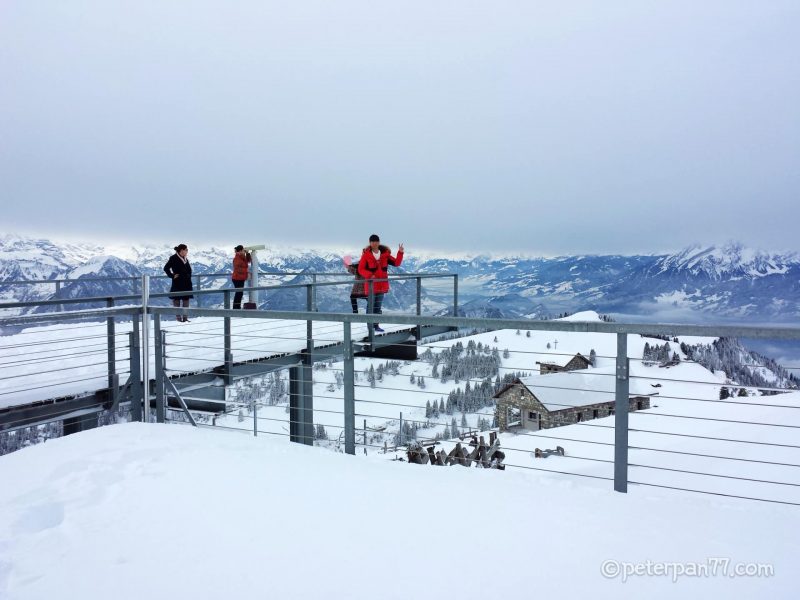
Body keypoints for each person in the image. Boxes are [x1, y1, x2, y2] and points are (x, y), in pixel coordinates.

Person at [357, 234, 404, 332]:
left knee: (378, 306)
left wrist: (400, 252)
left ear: (379, 242)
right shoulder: (366, 255)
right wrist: (370, 275)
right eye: (372, 241)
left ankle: (376, 325)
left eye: (376, 241)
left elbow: (396, 263)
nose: (374, 243)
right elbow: (360, 269)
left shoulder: (385, 255)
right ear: (370, 243)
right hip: (371, 285)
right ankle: (370, 327)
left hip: (382, 285)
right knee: (370, 306)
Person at [163, 244, 193, 322]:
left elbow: (189, 270)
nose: (187, 251)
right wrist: (172, 276)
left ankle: (185, 318)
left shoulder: (185, 259)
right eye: (186, 250)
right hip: (178, 282)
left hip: (186, 283)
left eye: (187, 250)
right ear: (181, 250)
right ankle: (179, 319)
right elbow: (166, 268)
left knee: (186, 300)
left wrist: (189, 276)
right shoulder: (173, 258)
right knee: (176, 300)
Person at [232, 245, 251, 309]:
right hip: (237, 278)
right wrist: (246, 272)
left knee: (240, 293)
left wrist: (247, 253)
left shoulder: (242, 257)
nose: (244, 251)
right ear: (240, 251)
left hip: (240, 278)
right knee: (239, 293)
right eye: (243, 250)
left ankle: (237, 307)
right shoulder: (237, 258)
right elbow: (238, 269)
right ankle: (236, 307)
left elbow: (248, 260)